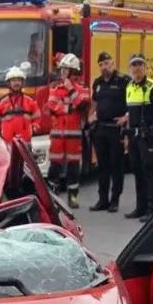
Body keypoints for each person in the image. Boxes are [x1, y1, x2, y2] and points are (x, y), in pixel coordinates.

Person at [123, 53, 153, 221]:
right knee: (137, 172)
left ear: (144, 67)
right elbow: (129, 113)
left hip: (149, 137)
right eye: (134, 65)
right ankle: (140, 207)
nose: (137, 67)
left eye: (140, 64)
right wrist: (126, 138)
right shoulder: (129, 87)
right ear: (130, 68)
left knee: (149, 172)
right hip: (134, 137)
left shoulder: (152, 87)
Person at [46, 53, 90, 210]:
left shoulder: (82, 89)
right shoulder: (55, 88)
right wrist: (70, 107)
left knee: (73, 166)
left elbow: (83, 104)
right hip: (58, 133)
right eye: (62, 69)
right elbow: (52, 106)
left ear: (73, 71)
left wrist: (71, 90)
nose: (62, 72)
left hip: (74, 134)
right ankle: (52, 194)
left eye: (66, 69)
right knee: (54, 166)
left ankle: (73, 196)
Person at [88, 51, 128, 212]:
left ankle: (115, 200)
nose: (104, 67)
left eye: (107, 63)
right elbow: (94, 102)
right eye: (101, 65)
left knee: (116, 165)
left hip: (116, 129)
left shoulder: (123, 81)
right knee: (102, 166)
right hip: (100, 128)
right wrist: (91, 115)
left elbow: (133, 101)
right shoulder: (98, 82)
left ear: (113, 63)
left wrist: (127, 117)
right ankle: (102, 199)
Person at [0, 66, 41, 146]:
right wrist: (0, 131)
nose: (16, 83)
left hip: (26, 143)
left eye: (18, 80)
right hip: (7, 144)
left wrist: (33, 129)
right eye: (13, 80)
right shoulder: (0, 102)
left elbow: (37, 117)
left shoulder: (30, 101)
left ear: (22, 82)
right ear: (8, 83)